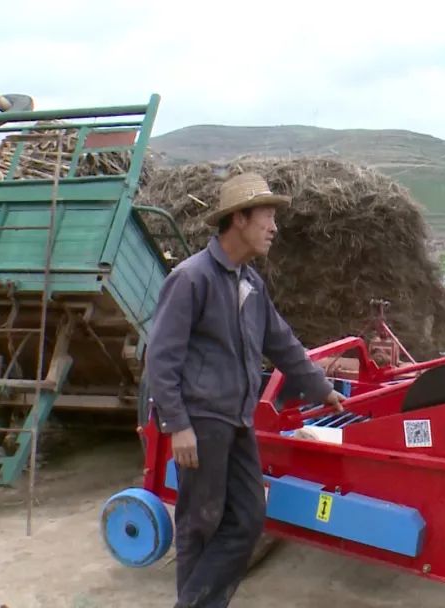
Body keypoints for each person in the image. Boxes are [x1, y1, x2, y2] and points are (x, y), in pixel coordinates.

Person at [145, 172, 346, 608]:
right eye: (267, 216)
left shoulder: (250, 283)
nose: (274, 227)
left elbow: (282, 342)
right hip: (200, 422)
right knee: (200, 523)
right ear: (238, 218)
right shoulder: (192, 278)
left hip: (237, 420)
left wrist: (321, 388)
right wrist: (177, 424)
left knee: (250, 518)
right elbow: (161, 358)